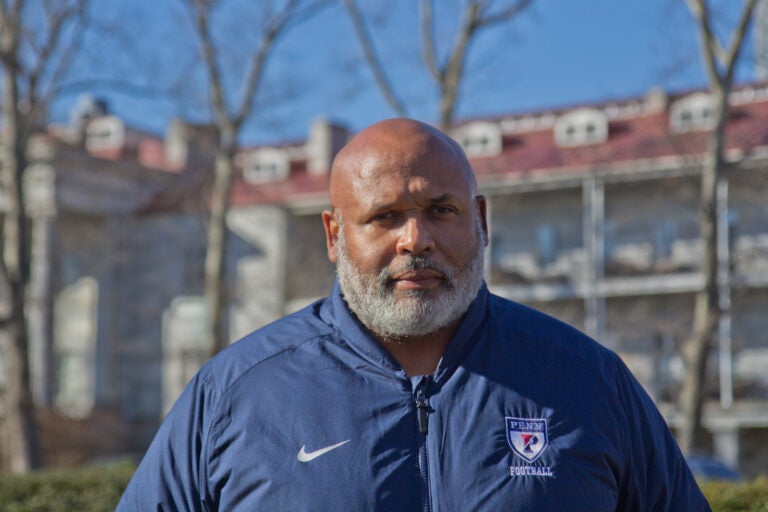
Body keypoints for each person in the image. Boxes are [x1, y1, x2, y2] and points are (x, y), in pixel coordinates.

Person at [117, 118, 711, 511]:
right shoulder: (234, 394)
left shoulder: (588, 380)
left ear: (480, 221)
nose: (415, 239)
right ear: (334, 234)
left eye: (441, 210)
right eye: (383, 217)